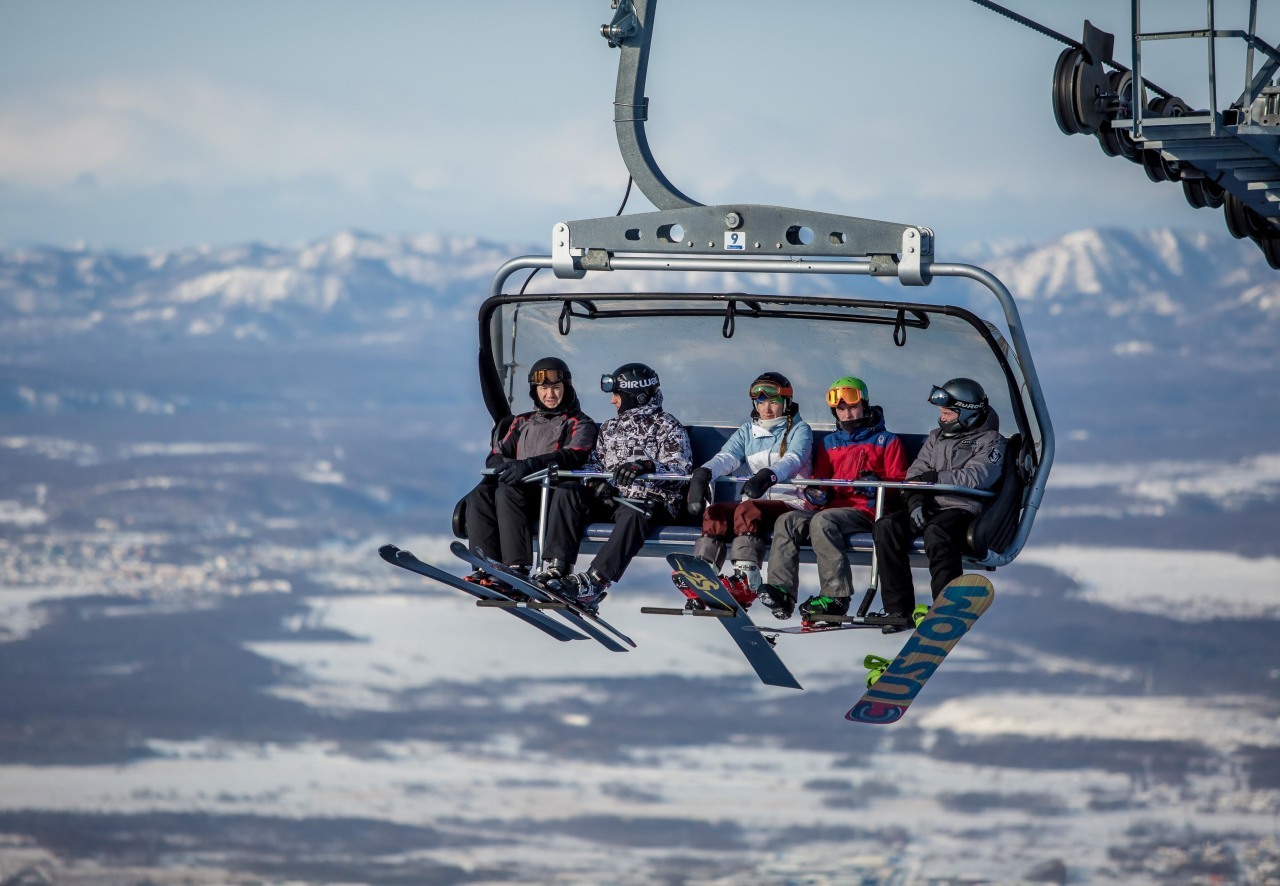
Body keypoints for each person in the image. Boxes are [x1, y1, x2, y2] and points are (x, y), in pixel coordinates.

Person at [538, 362, 692, 608]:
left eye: (617, 395)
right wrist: (594, 483)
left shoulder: (667, 426)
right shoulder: (610, 428)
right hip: (611, 499)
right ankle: (558, 567)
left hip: (651, 503)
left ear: (635, 395)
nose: (612, 402)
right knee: (569, 491)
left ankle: (596, 581)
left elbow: (681, 471)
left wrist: (647, 467)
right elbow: (594, 465)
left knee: (635, 511)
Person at [757, 376, 908, 620]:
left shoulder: (886, 441)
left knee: (823, 521)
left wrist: (876, 486)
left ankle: (836, 595)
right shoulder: (829, 443)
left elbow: (900, 483)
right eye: (840, 409)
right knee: (787, 520)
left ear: (865, 406)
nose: (846, 415)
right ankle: (782, 590)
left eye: (852, 408)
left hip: (866, 511)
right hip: (830, 510)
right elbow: (821, 479)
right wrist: (815, 492)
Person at [871, 377, 1006, 632]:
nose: (942, 418)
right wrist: (916, 501)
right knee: (885, 527)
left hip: (962, 507)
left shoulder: (991, 442)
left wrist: (933, 479)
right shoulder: (936, 438)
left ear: (965, 413)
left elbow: (977, 477)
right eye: (941, 413)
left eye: (947, 413)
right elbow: (916, 472)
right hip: (929, 504)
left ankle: (944, 606)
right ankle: (897, 608)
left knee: (938, 533)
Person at [463, 357, 597, 587]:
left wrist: (527, 466)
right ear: (535, 391)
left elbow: (574, 453)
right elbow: (497, 453)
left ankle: (516, 567)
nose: (550, 395)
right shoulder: (522, 421)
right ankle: (485, 564)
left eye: (556, 388)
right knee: (479, 495)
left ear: (567, 388)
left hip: (552, 494)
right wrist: (505, 467)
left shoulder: (579, 422)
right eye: (544, 389)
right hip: (519, 489)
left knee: (508, 492)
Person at [685, 372, 813, 606]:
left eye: (773, 402)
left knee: (747, 509)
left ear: (786, 402)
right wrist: (704, 474)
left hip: (791, 503)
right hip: (757, 502)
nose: (767, 408)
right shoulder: (747, 431)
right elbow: (726, 457)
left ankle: (746, 581)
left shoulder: (799, 430)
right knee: (716, 512)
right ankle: (703, 576)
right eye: (761, 402)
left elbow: (794, 459)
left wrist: (768, 475)